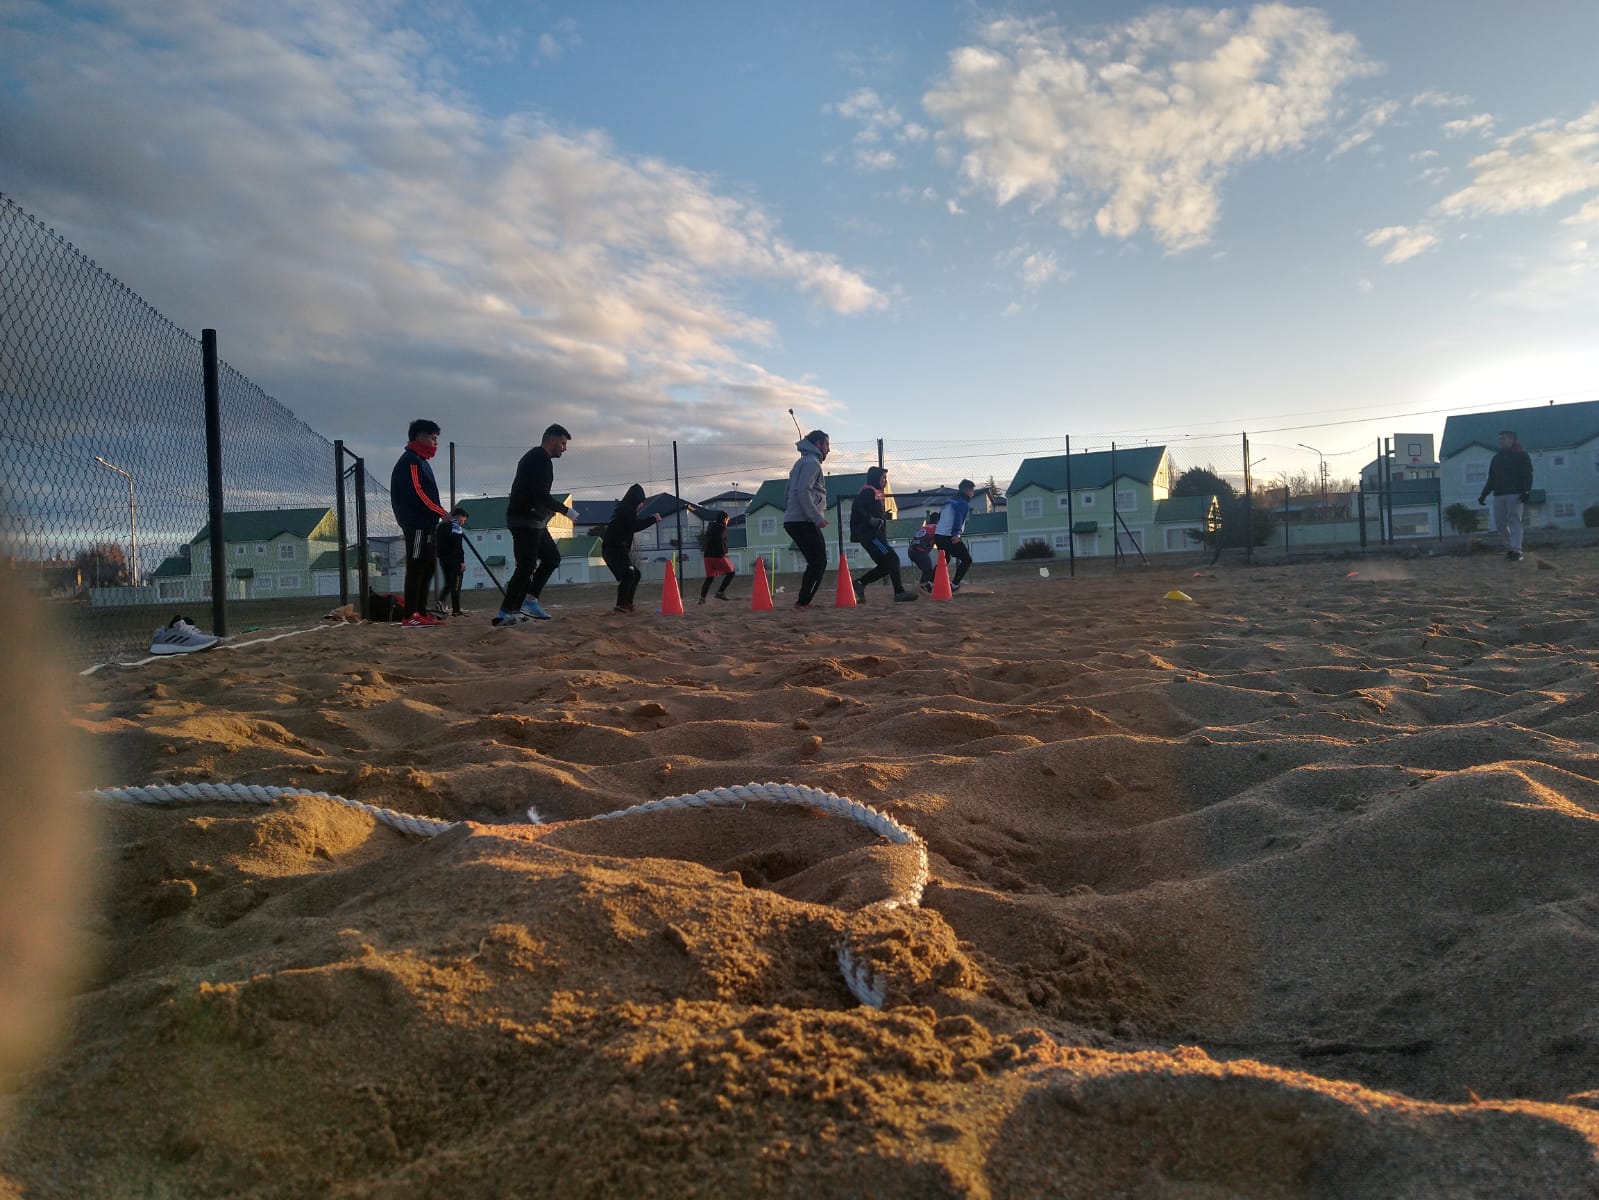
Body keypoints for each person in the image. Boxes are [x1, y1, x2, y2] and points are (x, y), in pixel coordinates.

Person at [497, 423, 571, 626]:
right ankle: (506, 611)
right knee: (526, 565)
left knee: (551, 558)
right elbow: (541, 494)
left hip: (534, 520)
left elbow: (537, 494)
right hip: (524, 520)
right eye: (563, 443)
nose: (565, 448)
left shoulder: (536, 458)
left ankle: (530, 599)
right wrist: (566, 511)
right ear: (552, 440)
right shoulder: (540, 459)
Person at [390, 418, 449, 628]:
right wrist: (440, 511)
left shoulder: (422, 462)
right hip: (415, 524)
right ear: (420, 436)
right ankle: (410, 615)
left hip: (427, 524)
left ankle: (421, 611)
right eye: (433, 438)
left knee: (429, 566)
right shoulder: (411, 461)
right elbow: (418, 492)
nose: (435, 443)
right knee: (416, 567)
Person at [850, 466, 916, 603]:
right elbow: (857, 506)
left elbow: (872, 510)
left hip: (873, 536)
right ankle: (899, 593)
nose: (885, 481)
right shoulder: (868, 491)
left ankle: (860, 583)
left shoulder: (876, 493)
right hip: (872, 537)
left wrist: (883, 516)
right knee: (892, 559)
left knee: (886, 565)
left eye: (886, 478)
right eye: (883, 478)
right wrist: (871, 519)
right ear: (875, 478)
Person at [782, 429, 831, 609]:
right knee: (819, 562)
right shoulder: (812, 463)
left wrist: (789, 510)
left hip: (794, 519)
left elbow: (787, 491)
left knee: (815, 562)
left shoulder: (800, 462)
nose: (828, 450)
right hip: (803, 520)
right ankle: (803, 602)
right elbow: (804, 491)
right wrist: (816, 517)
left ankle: (803, 601)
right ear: (818, 444)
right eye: (827, 445)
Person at [603, 485, 661, 613]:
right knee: (629, 575)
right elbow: (634, 526)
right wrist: (653, 519)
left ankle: (627, 603)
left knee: (635, 574)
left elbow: (631, 526)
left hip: (617, 549)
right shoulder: (626, 510)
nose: (641, 506)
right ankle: (621, 605)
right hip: (613, 549)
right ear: (636, 500)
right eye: (641, 502)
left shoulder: (626, 510)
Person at [1478, 429, 1534, 562]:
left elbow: (1527, 474)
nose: (1501, 441)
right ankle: (1510, 548)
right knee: (1500, 522)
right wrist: (1484, 494)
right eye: (1500, 439)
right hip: (1499, 494)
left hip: (1515, 494)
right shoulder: (1497, 458)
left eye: (1503, 439)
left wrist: (1526, 491)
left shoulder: (1522, 456)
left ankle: (1516, 550)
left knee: (1515, 521)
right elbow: (1492, 478)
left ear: (1511, 440)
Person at [933, 479, 978, 591]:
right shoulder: (963, 503)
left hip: (939, 535)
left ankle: (930, 582)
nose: (973, 493)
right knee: (967, 560)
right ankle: (954, 585)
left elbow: (939, 518)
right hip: (949, 535)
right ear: (967, 491)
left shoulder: (949, 502)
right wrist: (956, 534)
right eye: (972, 490)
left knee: (944, 559)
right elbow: (958, 518)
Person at [435, 506, 468, 616]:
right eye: (462, 520)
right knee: (456, 585)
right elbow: (458, 547)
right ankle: (456, 610)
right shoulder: (456, 528)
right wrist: (461, 561)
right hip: (455, 561)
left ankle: (440, 602)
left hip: (443, 560)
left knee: (448, 583)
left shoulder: (440, 527)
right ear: (458, 517)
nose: (462, 523)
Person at [699, 510, 737, 603]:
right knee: (731, 573)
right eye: (727, 519)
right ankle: (720, 592)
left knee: (709, 577)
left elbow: (708, 538)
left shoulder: (711, 527)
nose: (727, 521)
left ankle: (702, 598)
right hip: (717, 555)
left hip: (707, 556)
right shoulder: (722, 528)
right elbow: (720, 540)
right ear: (724, 519)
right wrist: (724, 551)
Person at [907, 509, 939, 593]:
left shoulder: (924, 527)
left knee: (926, 571)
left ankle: (922, 588)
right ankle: (922, 590)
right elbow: (938, 541)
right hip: (919, 551)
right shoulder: (936, 528)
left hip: (911, 551)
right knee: (928, 570)